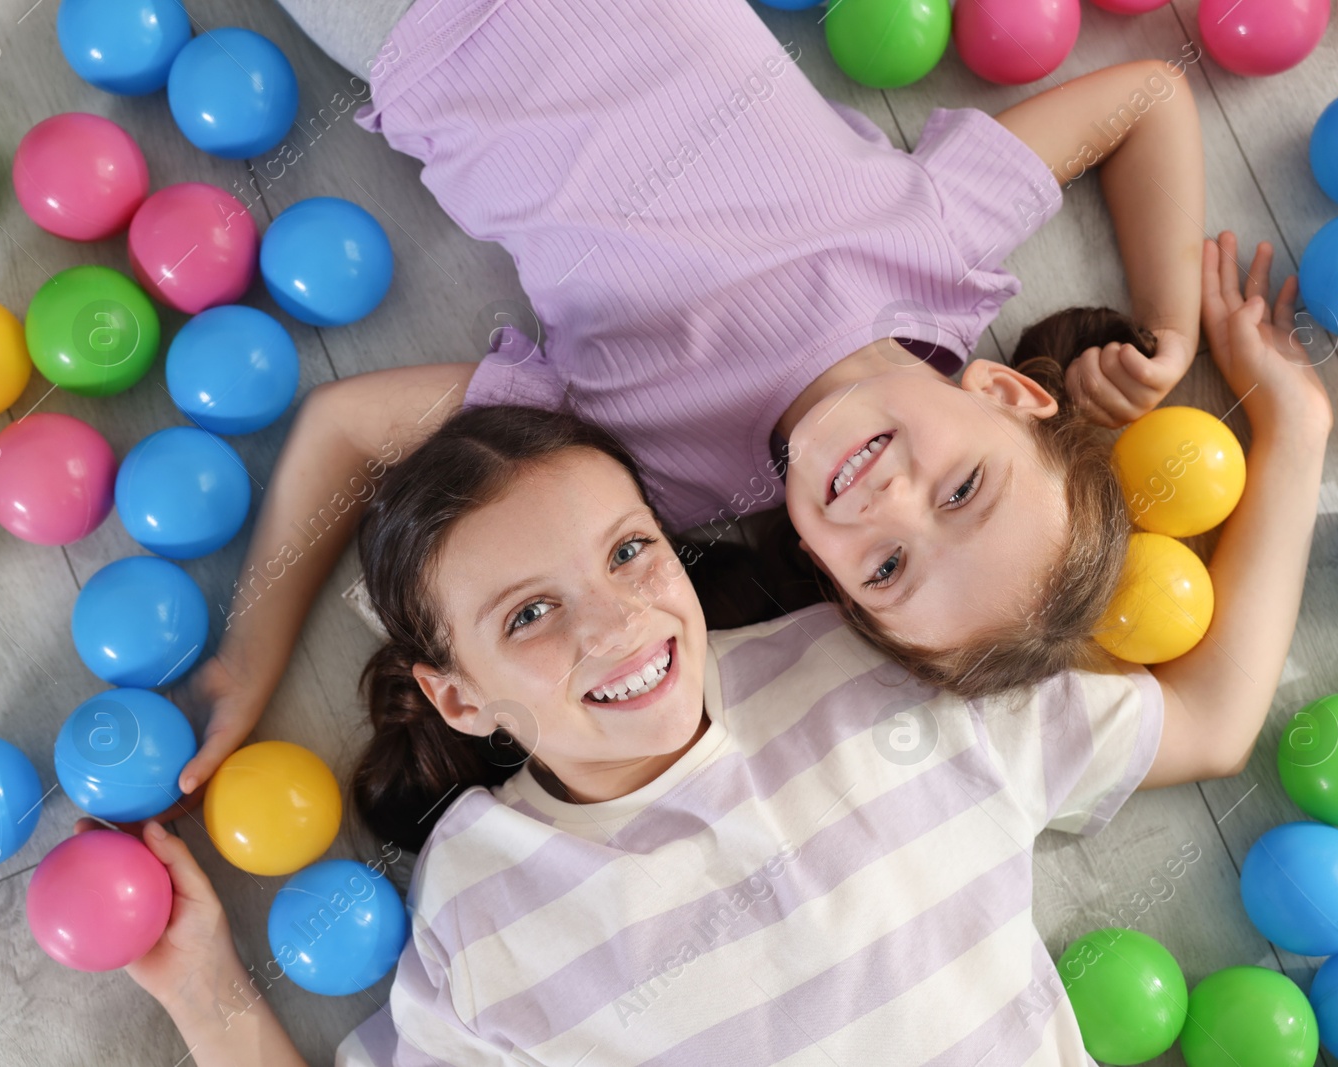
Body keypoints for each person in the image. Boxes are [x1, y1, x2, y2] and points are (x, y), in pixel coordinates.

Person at [109, 236, 1331, 1065]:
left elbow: (1216, 719)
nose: (614, 624)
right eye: (527, 616)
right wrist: (209, 993)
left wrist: (1298, 417)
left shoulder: (878, 677)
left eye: (631, 554)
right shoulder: (486, 897)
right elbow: (345, 421)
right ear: (458, 695)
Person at [165, 0, 1209, 796]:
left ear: (830, 575)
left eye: (886, 567)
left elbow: (350, 425)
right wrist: (1170, 328)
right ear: (1004, 391)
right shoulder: (940, 249)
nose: (889, 500)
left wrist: (250, 652)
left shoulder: (645, 464)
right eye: (962, 489)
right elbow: (1147, 96)